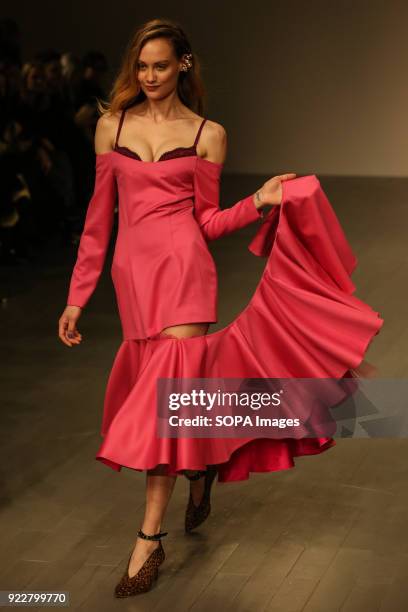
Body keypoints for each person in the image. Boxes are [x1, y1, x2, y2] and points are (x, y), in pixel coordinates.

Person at [58, 18, 383, 598]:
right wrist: (77, 297)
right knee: (175, 404)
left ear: (183, 64)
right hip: (133, 281)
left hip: (185, 275)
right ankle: (202, 468)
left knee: (163, 406)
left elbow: (204, 223)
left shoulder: (208, 133)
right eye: (142, 66)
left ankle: (147, 539)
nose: (151, 76)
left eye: (161, 65)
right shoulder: (112, 126)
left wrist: (257, 201)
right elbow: (95, 221)